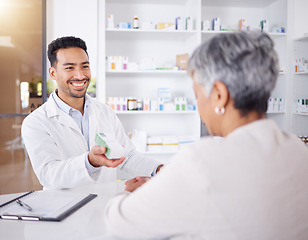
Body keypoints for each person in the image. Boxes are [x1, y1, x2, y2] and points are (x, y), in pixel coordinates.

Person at [104, 32, 308, 240]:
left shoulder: (203, 160)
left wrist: (128, 192)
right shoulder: (298, 149)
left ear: (219, 95)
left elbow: (119, 224)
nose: (198, 105)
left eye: (197, 95)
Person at [21, 36, 162, 189]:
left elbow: (127, 157)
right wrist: (90, 162)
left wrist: (160, 170)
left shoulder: (105, 112)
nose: (80, 75)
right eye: (69, 68)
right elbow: (48, 175)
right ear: (53, 73)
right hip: (65, 207)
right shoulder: (36, 122)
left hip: (105, 202)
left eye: (85, 66)